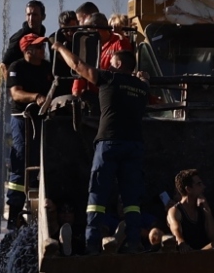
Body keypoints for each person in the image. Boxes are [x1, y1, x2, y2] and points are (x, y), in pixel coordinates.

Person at [51, 39, 150, 254]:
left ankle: (92, 244)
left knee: (97, 195)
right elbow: (144, 86)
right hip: (134, 146)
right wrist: (143, 80)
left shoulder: (109, 78)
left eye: (111, 62)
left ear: (118, 65)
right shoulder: (142, 88)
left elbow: (78, 65)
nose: (108, 65)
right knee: (131, 199)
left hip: (109, 144)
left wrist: (59, 48)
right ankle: (134, 242)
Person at [5, 33, 54, 230]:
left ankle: (40, 210)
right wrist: (36, 97)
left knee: (44, 161)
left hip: (45, 121)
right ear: (28, 50)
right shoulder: (17, 67)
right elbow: (16, 93)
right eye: (39, 47)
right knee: (21, 160)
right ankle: (14, 215)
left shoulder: (48, 68)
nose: (43, 50)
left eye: (43, 46)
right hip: (23, 120)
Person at [167, 169, 214, 251]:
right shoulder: (175, 210)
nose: (203, 187)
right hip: (187, 253)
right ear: (188, 189)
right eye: (199, 184)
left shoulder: (202, 208)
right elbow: (176, 231)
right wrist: (181, 243)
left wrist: (207, 211)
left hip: (203, 252)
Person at [1, 0, 47, 68]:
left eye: (35, 15)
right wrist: (12, 75)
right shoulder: (20, 36)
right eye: (28, 15)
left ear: (43, 17)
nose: (31, 18)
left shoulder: (41, 34)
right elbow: (4, 65)